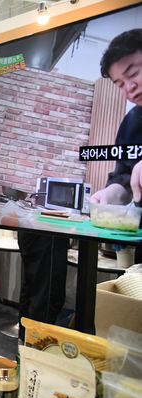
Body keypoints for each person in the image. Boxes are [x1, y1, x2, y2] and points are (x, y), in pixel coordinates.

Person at [93, 28, 142, 262]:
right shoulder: (131, 123)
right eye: (120, 84)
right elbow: (124, 175)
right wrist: (110, 194)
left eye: (134, 73)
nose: (129, 88)